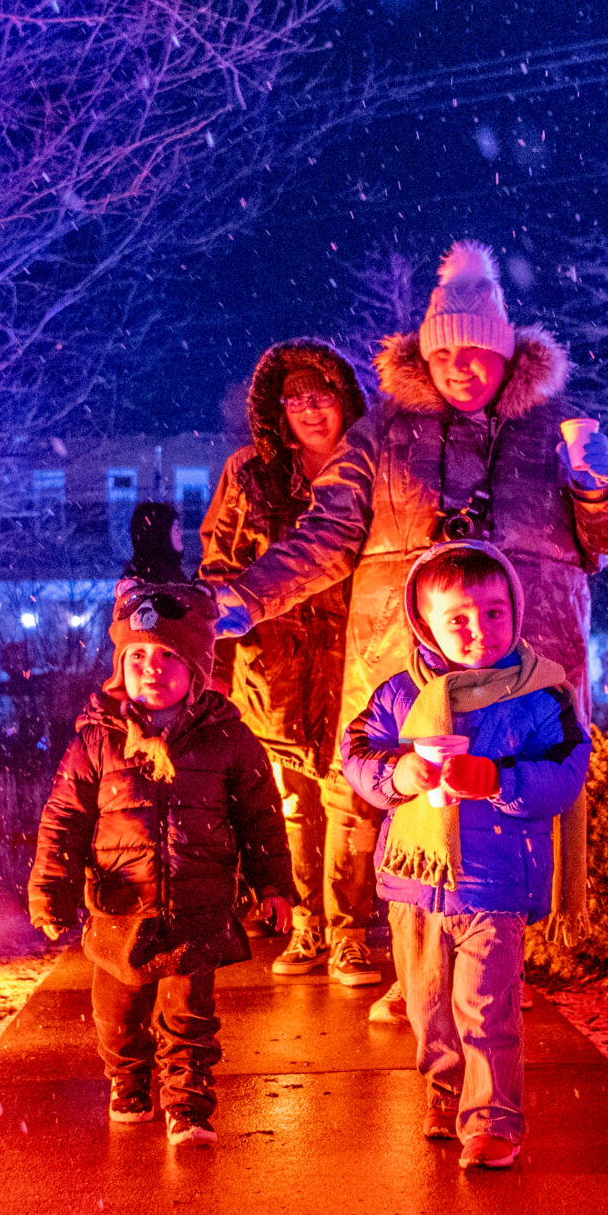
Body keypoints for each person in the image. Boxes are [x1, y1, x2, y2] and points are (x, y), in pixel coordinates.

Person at [212, 240, 608, 1020]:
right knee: (409, 798)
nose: (464, 369)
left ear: (508, 358)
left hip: (525, 646)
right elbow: (328, 532)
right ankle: (412, 973)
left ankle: (503, 968)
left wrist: (598, 489)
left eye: (481, 353)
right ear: (427, 354)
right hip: (401, 649)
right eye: (450, 354)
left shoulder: (552, 432)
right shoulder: (379, 434)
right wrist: (248, 595)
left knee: (511, 793)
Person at [342, 541, 591, 1169]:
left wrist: (499, 782)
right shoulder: (398, 695)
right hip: (414, 881)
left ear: (516, 609)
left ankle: (492, 1120)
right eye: (459, 618)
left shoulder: (541, 695)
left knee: (485, 1006)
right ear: (425, 622)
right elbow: (358, 760)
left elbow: (566, 774)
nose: (480, 630)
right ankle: (443, 1088)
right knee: (427, 1006)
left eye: (495, 612)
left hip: (496, 880)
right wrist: (401, 775)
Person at [28, 580, 289, 1146]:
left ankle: (189, 1101)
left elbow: (261, 819)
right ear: (120, 665)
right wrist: (52, 890)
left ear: (198, 668)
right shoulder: (98, 740)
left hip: (197, 907)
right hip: (121, 908)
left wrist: (273, 885)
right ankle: (128, 1077)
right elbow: (65, 819)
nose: (153, 667)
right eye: (138, 655)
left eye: (170, 655)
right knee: (117, 1016)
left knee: (189, 1017)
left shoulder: (228, 740)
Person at [200, 340, 386, 987]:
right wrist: (217, 657)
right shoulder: (248, 472)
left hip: (348, 655)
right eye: (297, 400)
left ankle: (351, 932)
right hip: (272, 665)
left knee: (350, 797)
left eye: (323, 397)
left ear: (344, 402)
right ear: (278, 410)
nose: (311, 411)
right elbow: (218, 564)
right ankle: (304, 920)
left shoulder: (370, 465)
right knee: (292, 803)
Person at [124, 499, 189, 582]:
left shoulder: (169, 575)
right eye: (176, 528)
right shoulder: (159, 585)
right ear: (162, 536)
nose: (181, 532)